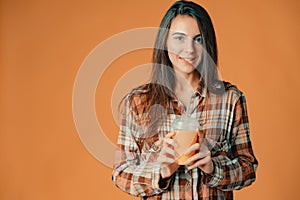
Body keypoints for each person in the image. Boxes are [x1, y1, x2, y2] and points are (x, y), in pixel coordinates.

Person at [112, 0, 258, 199]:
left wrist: (213, 167)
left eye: (198, 39)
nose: (189, 49)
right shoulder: (138, 102)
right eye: (179, 38)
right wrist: (161, 171)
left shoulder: (230, 99)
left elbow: (248, 169)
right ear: (165, 41)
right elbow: (121, 173)